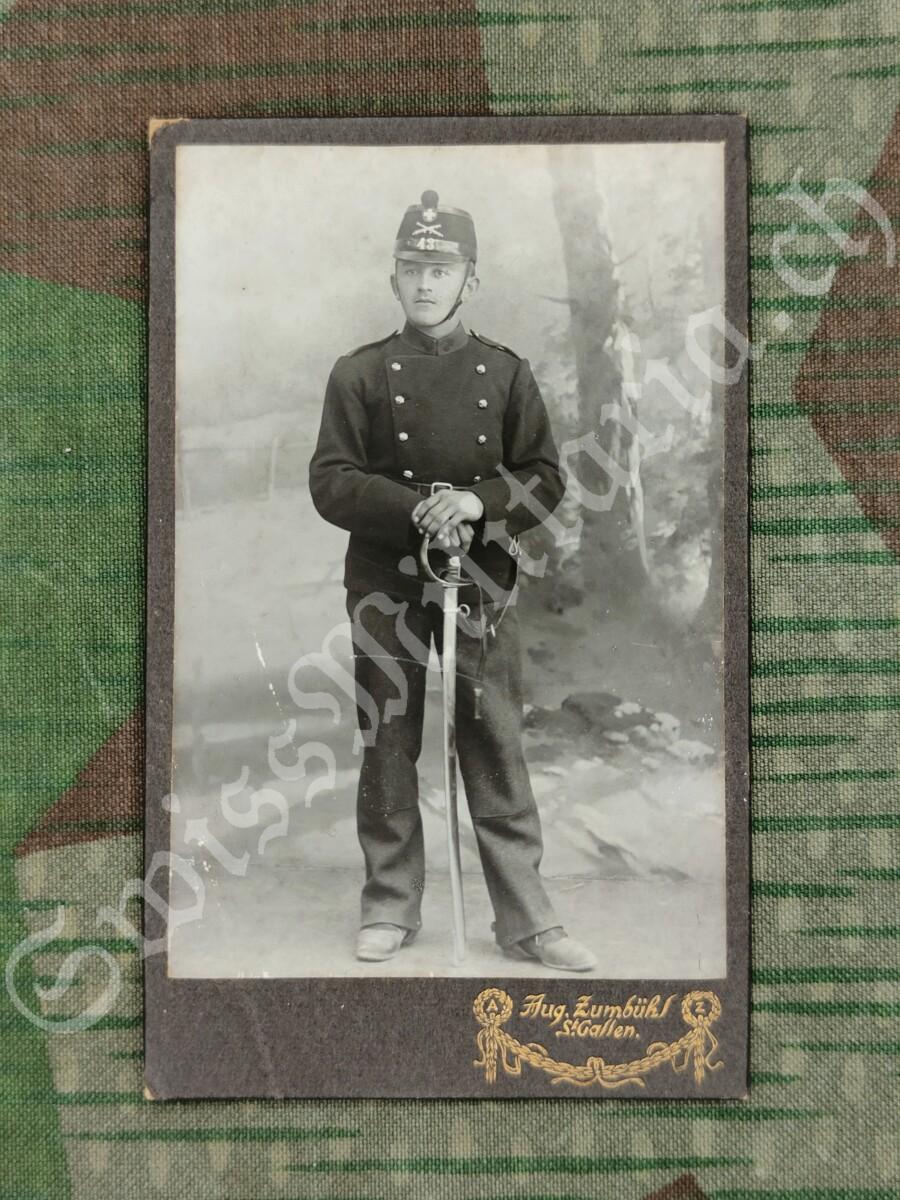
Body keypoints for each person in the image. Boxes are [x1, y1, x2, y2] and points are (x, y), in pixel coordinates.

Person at [308, 190, 597, 973]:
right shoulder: (359, 373)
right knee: (388, 745)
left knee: (495, 741)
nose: (425, 283)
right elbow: (331, 480)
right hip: (386, 585)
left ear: (471, 279)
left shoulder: (505, 373)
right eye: (412, 269)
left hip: (481, 583)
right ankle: (390, 905)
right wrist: (417, 509)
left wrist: (476, 502)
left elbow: (544, 477)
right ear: (393, 278)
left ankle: (528, 920)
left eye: (441, 270)